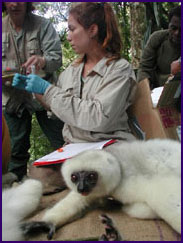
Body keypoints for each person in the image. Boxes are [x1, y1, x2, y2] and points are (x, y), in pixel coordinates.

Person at [12, 2, 137, 145]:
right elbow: (58, 108)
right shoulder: (70, 72)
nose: (68, 37)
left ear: (92, 30)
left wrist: (47, 89)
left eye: (72, 29)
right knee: (37, 168)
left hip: (109, 145)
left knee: (86, 168)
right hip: (74, 146)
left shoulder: (118, 70)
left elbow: (98, 118)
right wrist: (35, 89)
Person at [2, 2, 64, 181]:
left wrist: (42, 61)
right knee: (15, 152)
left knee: (61, 141)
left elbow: (56, 59)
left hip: (43, 96)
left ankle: (69, 179)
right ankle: (15, 187)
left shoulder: (43, 25)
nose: (15, 4)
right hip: (12, 99)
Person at [137, 5, 181, 89]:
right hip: (157, 89)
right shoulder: (157, 38)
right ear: (168, 25)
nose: (177, 33)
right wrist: (145, 91)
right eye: (173, 28)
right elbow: (144, 68)